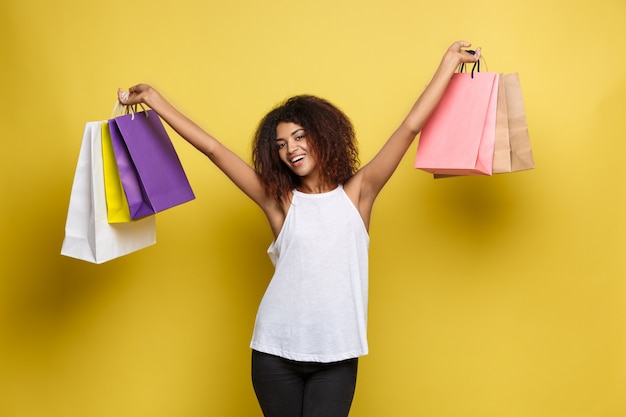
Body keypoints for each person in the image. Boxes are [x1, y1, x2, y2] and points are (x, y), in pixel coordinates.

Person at [118, 41, 480, 417]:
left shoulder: (359, 195)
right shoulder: (280, 203)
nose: (291, 149)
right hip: (275, 353)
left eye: (299, 136)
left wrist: (449, 63)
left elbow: (409, 128)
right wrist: (155, 100)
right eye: (281, 144)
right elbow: (213, 149)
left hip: (337, 357)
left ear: (324, 136)